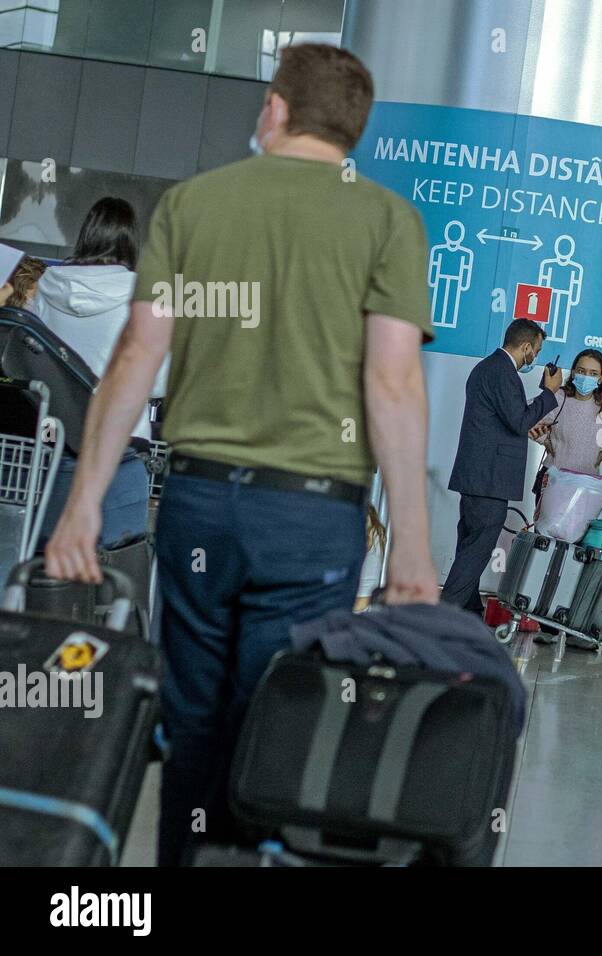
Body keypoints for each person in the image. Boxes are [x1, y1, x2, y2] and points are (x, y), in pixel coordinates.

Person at [44, 44, 440, 866]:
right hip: (312, 514)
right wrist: (412, 545)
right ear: (355, 133)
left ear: (274, 109)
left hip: (199, 501)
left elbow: (135, 358)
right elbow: (394, 382)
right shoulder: (387, 221)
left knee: (192, 716)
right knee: (278, 714)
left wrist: (83, 499)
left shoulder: (197, 205)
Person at [32, 198, 167, 546]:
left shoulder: (47, 286)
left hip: (57, 445)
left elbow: (30, 358)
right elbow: (160, 380)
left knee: (50, 564)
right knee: (118, 569)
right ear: (130, 241)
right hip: (120, 449)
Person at [443, 319, 563, 614]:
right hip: (488, 481)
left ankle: (469, 616)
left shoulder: (490, 369)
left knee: (469, 550)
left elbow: (510, 418)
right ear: (526, 347)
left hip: (477, 478)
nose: (535, 357)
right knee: (474, 554)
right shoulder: (502, 372)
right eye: (535, 350)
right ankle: (442, 619)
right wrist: (549, 392)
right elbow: (520, 420)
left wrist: (531, 414)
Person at [528, 347, 602, 513]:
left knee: (577, 536)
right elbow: (521, 415)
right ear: (573, 372)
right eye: (581, 371)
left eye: (593, 373)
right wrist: (544, 439)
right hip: (553, 478)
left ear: (601, 378)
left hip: (586, 484)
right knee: (544, 533)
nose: (586, 376)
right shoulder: (558, 397)